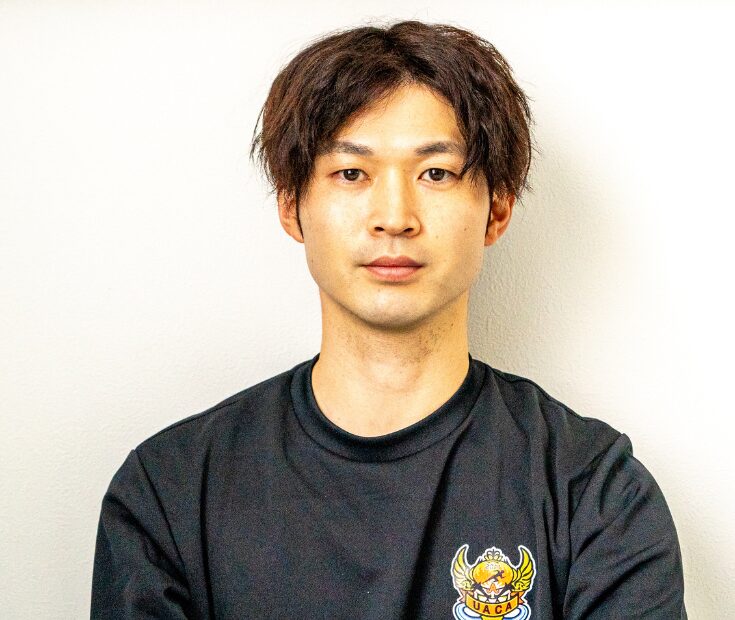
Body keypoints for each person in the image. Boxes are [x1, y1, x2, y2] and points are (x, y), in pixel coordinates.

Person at [91, 20, 687, 619]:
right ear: (291, 205)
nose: (395, 217)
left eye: (436, 173)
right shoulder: (170, 489)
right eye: (351, 173)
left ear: (498, 208)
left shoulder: (593, 490)